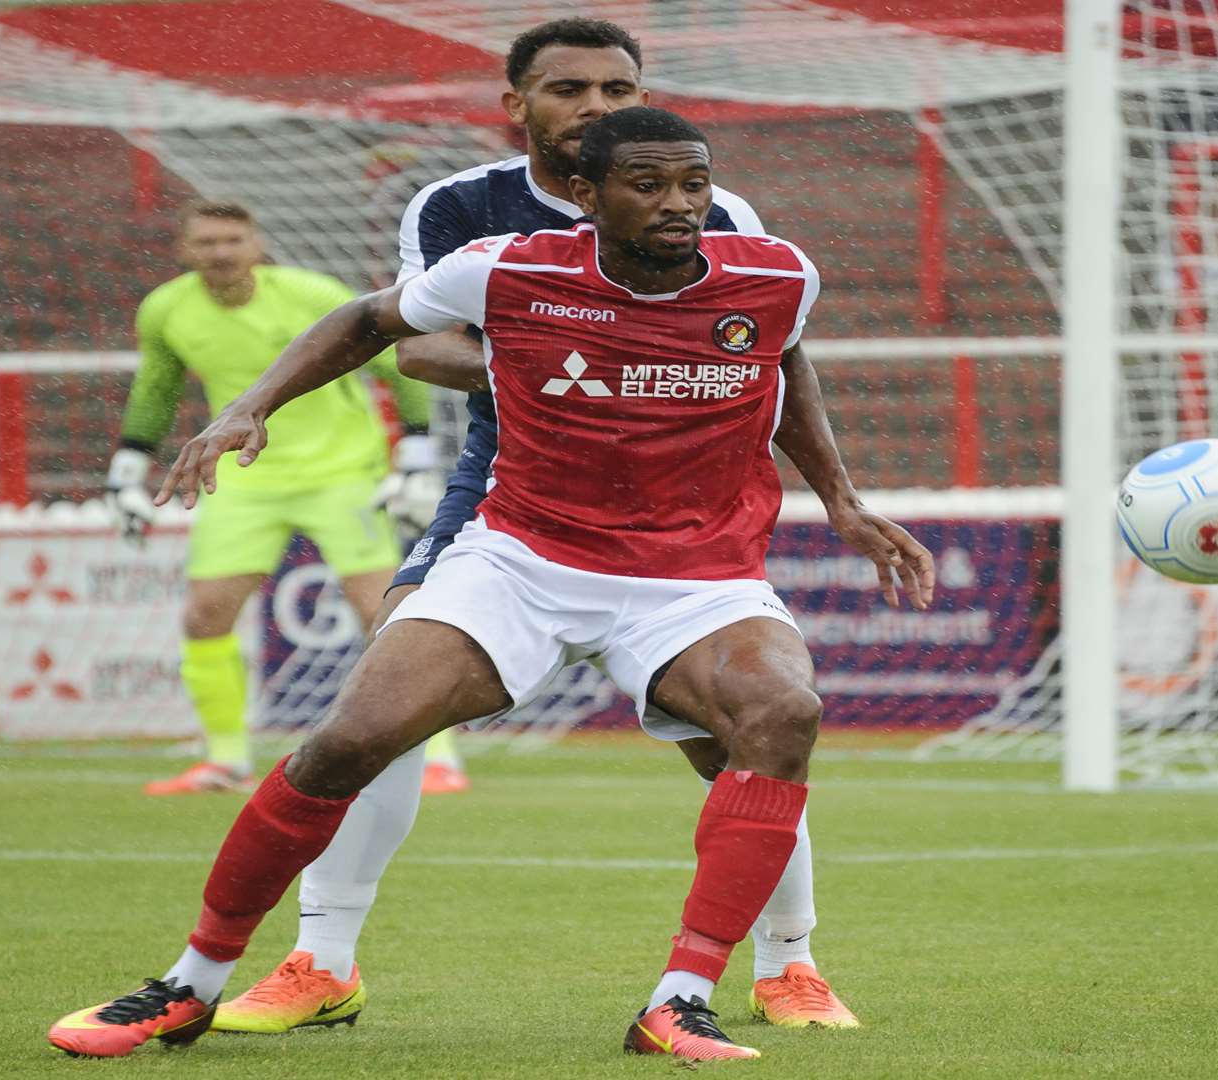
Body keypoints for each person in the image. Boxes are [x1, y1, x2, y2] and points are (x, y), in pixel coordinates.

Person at [48, 106, 934, 1063]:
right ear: (584, 196)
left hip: (695, 577)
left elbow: (782, 359)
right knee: (349, 739)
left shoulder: (778, 272)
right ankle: (192, 982)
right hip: (520, 559)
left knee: (782, 712)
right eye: (649, 185)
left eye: (693, 183)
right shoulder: (507, 264)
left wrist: (841, 500)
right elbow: (368, 321)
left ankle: (683, 998)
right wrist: (248, 407)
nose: (680, 205)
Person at [207, 18, 855, 1040]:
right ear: (519, 105)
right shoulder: (462, 209)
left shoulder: (715, 208)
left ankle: (790, 963)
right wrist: (573, 360)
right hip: (508, 479)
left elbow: (767, 345)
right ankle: (318, 960)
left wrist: (830, 488)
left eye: (616, 85)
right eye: (569, 89)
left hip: (671, 503)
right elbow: (415, 345)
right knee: (387, 700)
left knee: (749, 728)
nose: (595, 105)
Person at [106, 201, 430, 796]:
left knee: (385, 615)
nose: (221, 252)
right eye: (207, 242)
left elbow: (395, 364)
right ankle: (226, 760)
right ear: (185, 250)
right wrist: (128, 465)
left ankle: (432, 761)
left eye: (232, 239)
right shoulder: (167, 309)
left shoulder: (311, 294)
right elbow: (157, 385)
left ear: (257, 244)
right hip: (244, 477)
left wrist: (416, 452)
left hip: (342, 473)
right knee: (205, 614)